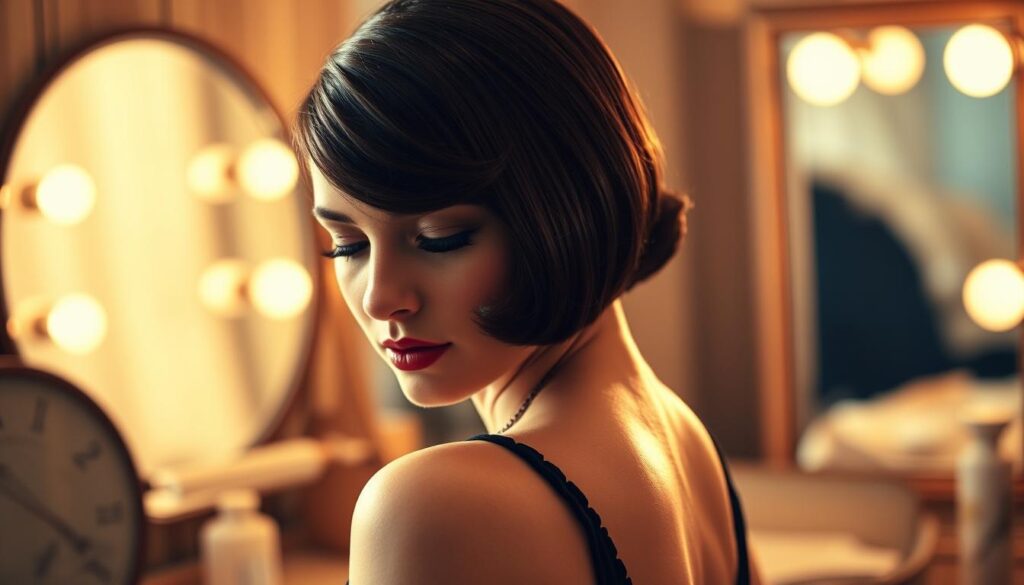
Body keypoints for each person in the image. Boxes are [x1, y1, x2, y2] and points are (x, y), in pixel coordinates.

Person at [295, 0, 758, 583]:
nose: (379, 298)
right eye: (347, 245)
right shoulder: (686, 443)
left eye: (440, 238)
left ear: (570, 210)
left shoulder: (429, 505)